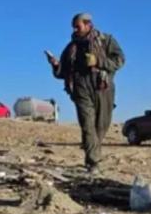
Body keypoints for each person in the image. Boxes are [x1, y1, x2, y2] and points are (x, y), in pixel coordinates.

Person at [48, 13, 125, 173]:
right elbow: (62, 73)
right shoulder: (71, 48)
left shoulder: (106, 41)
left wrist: (98, 61)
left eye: (78, 26)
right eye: (73, 27)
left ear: (89, 25)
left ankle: (93, 151)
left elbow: (120, 60)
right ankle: (93, 162)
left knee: (101, 126)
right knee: (87, 125)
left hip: (103, 87)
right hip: (81, 89)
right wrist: (55, 65)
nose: (75, 30)